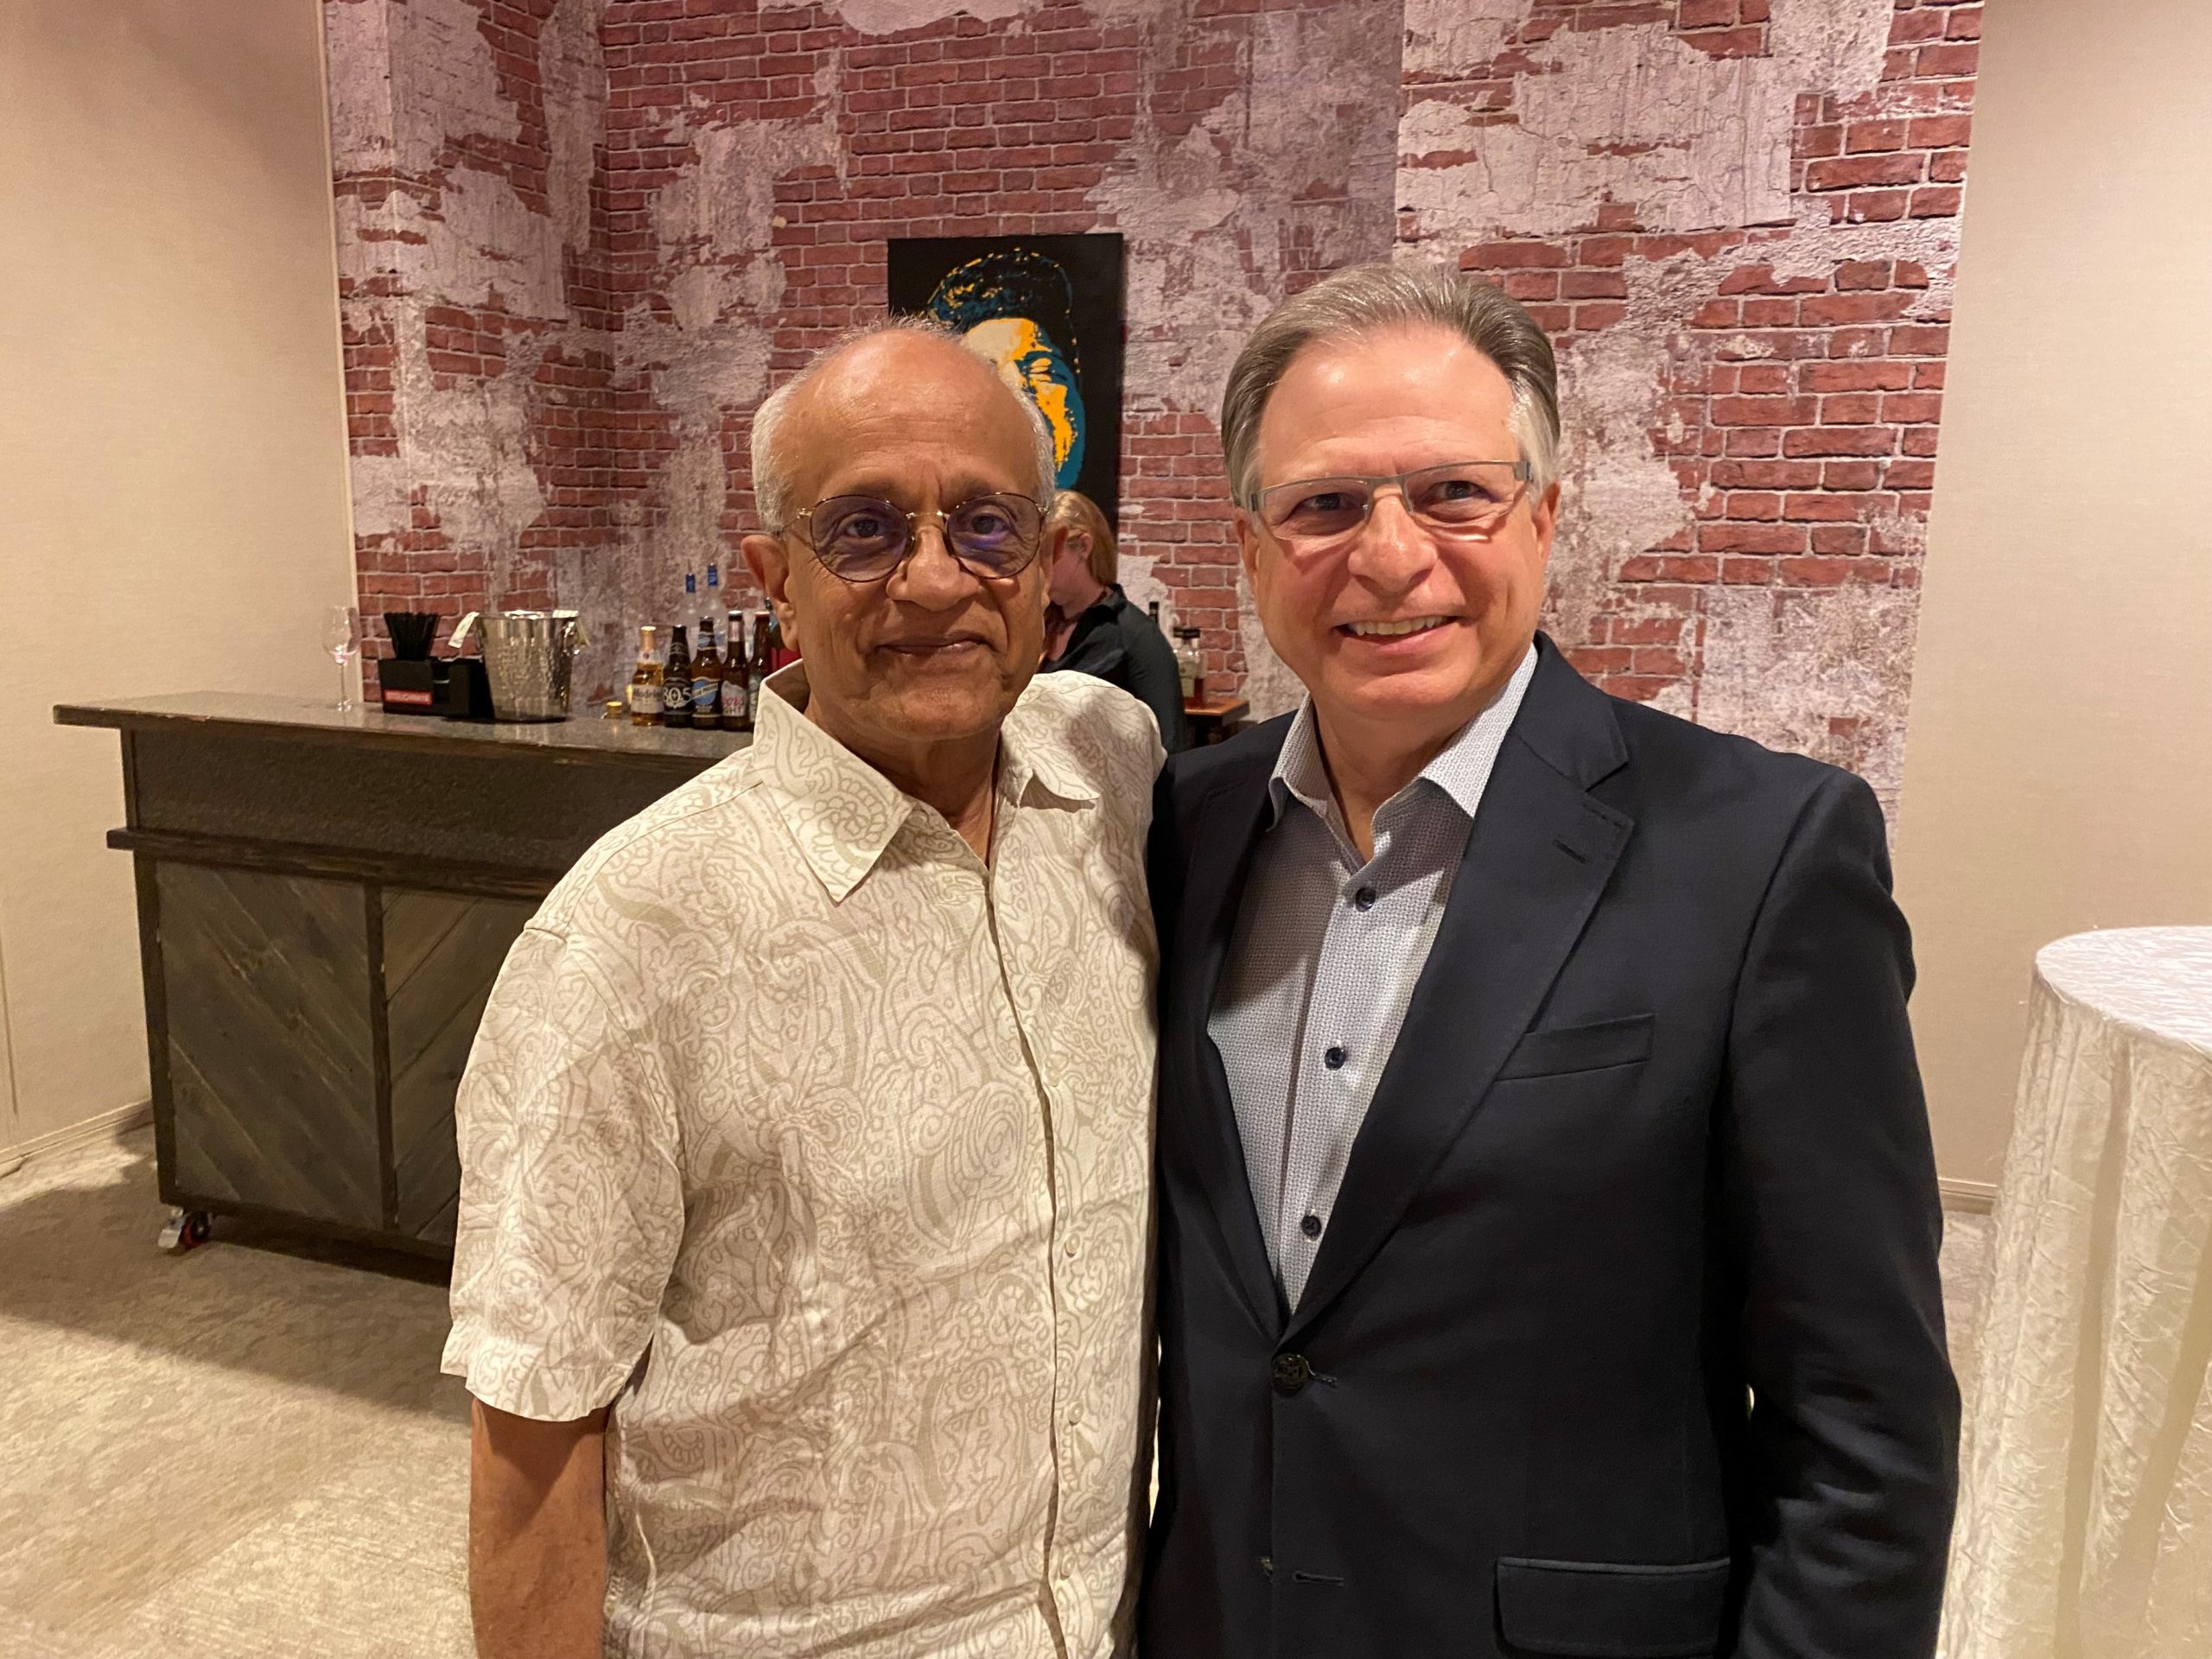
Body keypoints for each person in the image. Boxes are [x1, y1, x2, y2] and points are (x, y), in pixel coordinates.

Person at [1141, 264, 1959, 1657]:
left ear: (1545, 517)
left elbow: (1864, 1431)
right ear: (1253, 546)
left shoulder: (1762, 856)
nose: (1390, 556)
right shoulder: (1183, 831)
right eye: (1326, 503)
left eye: (1453, 493)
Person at [444, 321, 1166, 1659]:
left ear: (1049, 559)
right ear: (776, 578)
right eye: (868, 529)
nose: (938, 579)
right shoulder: (631, 937)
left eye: (990, 527)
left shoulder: (1108, 770)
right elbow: (536, 1420)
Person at [1039, 488, 1190, 753]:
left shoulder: (1134, 636)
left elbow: (1170, 747)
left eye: (1048, 555)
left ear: (1084, 547)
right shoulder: (1037, 624)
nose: (1040, 570)